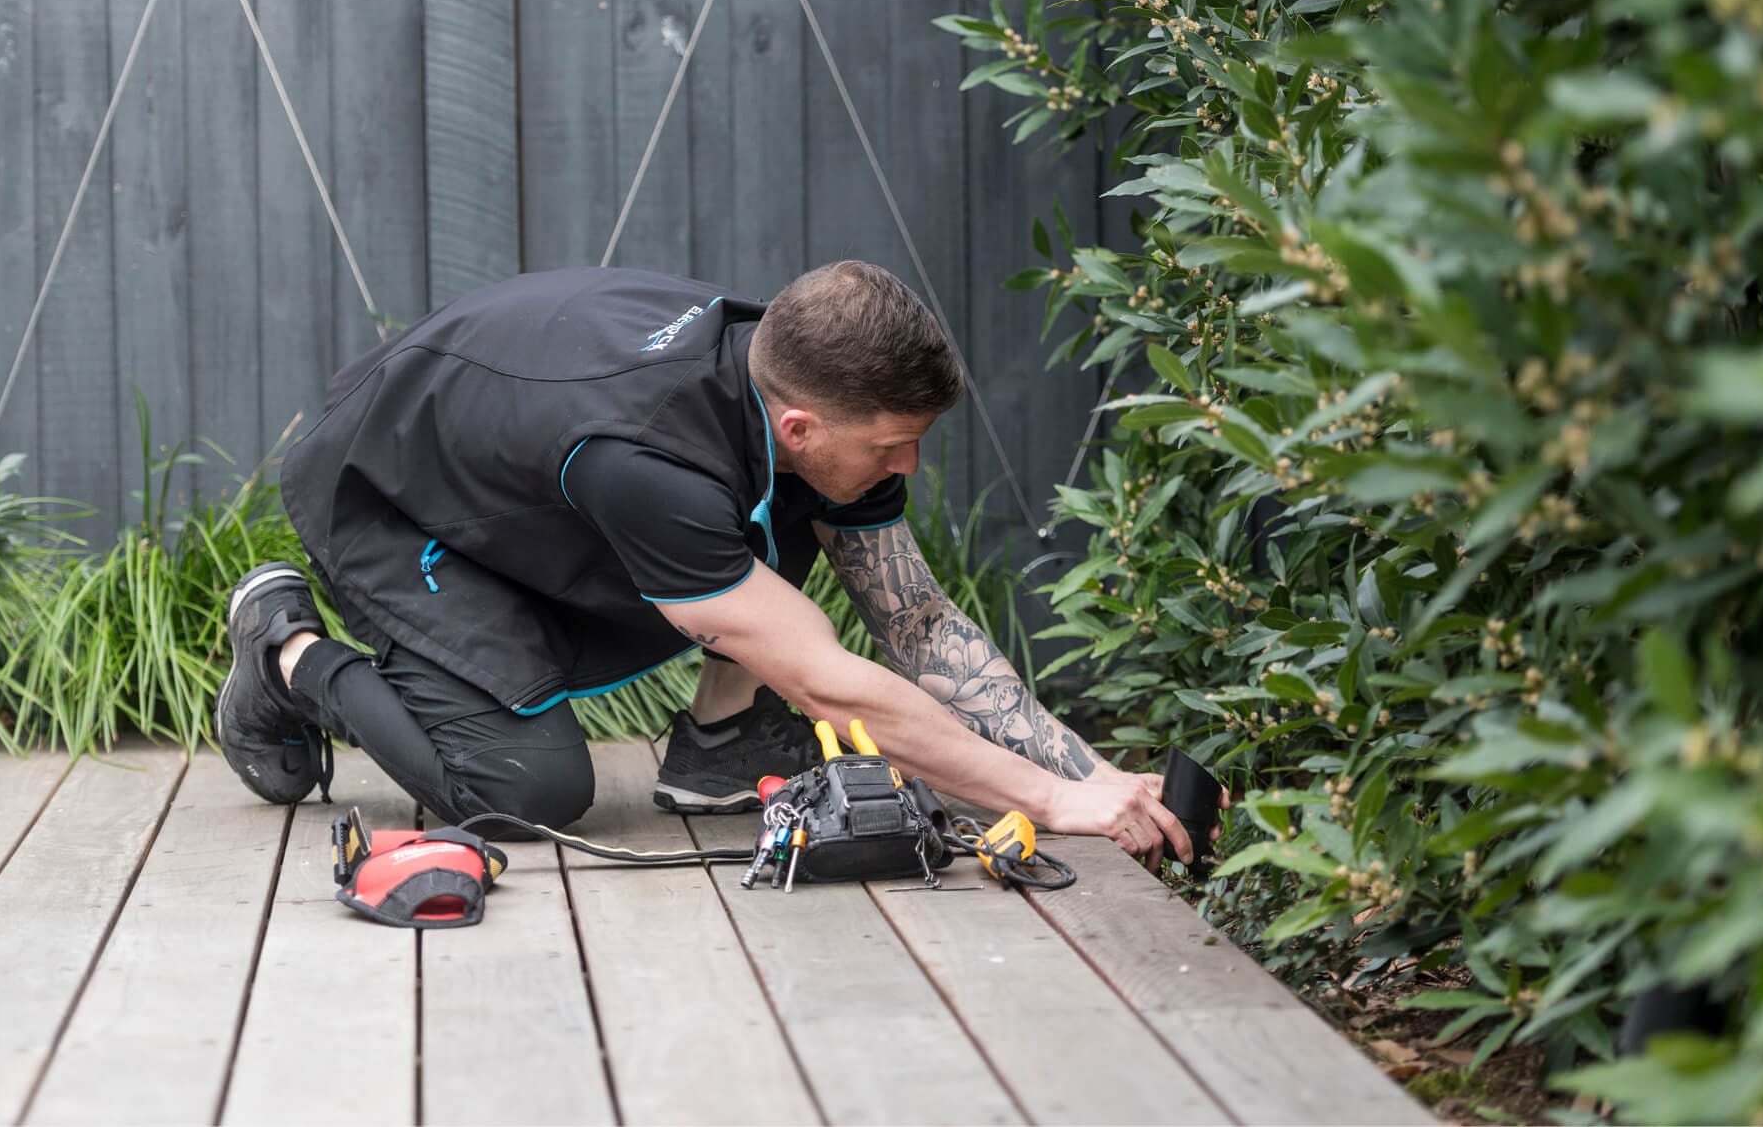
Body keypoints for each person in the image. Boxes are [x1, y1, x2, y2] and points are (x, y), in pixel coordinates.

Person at [215, 260, 1220, 869]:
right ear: (799, 419)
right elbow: (829, 681)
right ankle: (286, 652)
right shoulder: (653, 460)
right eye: (890, 447)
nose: (906, 468)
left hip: (528, 471)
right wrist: (1045, 803)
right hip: (394, 495)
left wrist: (1098, 780)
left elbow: (914, 626)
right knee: (524, 787)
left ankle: (721, 741)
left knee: (789, 512)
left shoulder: (797, 383)